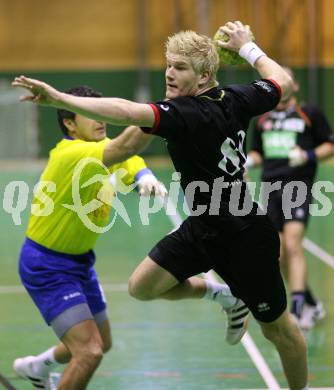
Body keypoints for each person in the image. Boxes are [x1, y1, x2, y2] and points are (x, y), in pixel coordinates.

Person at [13, 21, 309, 390]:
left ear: (203, 76)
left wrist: (59, 99)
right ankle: (228, 296)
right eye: (168, 64)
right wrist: (250, 48)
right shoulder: (239, 96)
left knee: (279, 331)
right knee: (142, 286)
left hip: (244, 235)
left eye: (180, 67)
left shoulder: (187, 114)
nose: (169, 73)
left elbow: (124, 112)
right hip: (202, 227)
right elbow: (280, 80)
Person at [12, 85, 169, 389]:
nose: (100, 119)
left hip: (81, 262)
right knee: (89, 351)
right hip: (47, 266)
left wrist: (143, 175)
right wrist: (167, 109)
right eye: (89, 114)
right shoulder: (71, 154)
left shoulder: (98, 145)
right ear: (70, 124)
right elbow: (124, 149)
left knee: (103, 341)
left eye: (101, 112)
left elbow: (127, 158)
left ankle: (37, 366)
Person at [246, 67, 334, 329]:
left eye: (287, 81)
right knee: (280, 255)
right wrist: (248, 162)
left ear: (294, 86)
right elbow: (257, 152)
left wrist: (307, 156)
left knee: (294, 245)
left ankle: (296, 312)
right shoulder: (263, 119)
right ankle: (311, 303)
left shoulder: (310, 114)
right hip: (270, 188)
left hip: (298, 186)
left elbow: (330, 145)